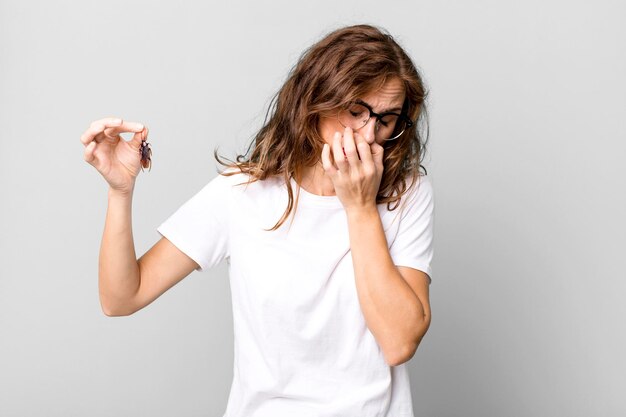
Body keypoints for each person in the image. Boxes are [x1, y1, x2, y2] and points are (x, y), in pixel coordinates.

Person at [80, 24, 434, 417]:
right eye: (355, 112)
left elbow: (399, 342)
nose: (369, 135)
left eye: (386, 120)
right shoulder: (242, 192)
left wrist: (361, 206)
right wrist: (120, 192)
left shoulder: (407, 194)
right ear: (315, 100)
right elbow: (121, 298)